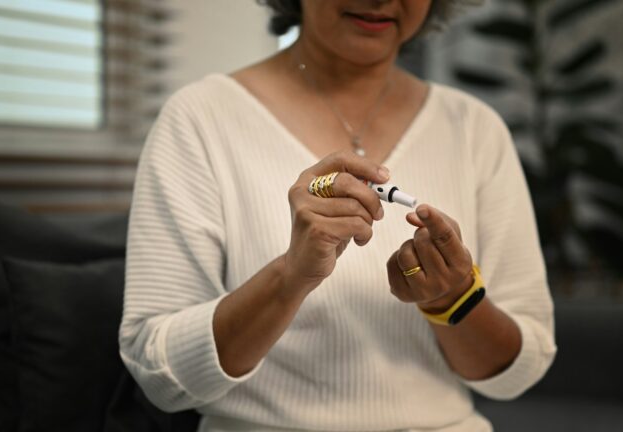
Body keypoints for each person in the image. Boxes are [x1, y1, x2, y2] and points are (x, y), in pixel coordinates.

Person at [119, 0, 557, 431]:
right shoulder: (201, 119)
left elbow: (518, 371)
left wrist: (453, 300)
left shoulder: (475, 129)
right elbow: (161, 376)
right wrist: (291, 276)